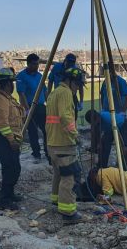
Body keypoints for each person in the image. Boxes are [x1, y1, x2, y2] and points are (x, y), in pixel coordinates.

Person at [46, 67, 87, 224]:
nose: (77, 89)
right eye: (77, 85)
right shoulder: (65, 93)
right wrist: (75, 135)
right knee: (69, 177)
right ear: (70, 81)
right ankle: (68, 213)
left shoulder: (54, 92)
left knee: (58, 174)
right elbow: (65, 116)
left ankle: (56, 201)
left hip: (53, 143)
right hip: (63, 143)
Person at [0, 68, 25, 210]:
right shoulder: (0, 99)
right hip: (3, 138)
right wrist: (11, 140)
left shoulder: (7, 97)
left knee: (13, 168)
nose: (13, 85)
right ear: (7, 84)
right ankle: (3, 199)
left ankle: (9, 194)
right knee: (11, 168)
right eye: (12, 82)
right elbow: (2, 124)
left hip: (10, 137)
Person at [16, 54, 50, 164]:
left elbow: (44, 91)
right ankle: (36, 153)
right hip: (29, 106)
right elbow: (21, 94)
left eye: (38, 64)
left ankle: (48, 151)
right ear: (28, 64)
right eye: (34, 64)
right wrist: (26, 110)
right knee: (32, 131)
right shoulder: (21, 76)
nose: (37, 66)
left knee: (47, 130)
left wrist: (48, 103)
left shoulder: (40, 76)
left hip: (40, 107)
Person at [98, 69, 127, 170]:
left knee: (124, 143)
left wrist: (123, 111)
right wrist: (103, 109)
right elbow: (102, 96)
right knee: (105, 143)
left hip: (118, 118)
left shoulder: (120, 82)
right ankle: (102, 166)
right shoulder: (105, 82)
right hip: (107, 118)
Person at [47, 53, 84, 119]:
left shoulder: (75, 70)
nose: (70, 64)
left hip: (71, 96)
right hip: (58, 95)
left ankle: (72, 127)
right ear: (65, 60)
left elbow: (80, 86)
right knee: (58, 116)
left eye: (72, 63)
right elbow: (50, 81)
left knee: (73, 116)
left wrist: (81, 101)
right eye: (68, 62)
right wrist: (49, 95)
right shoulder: (57, 67)